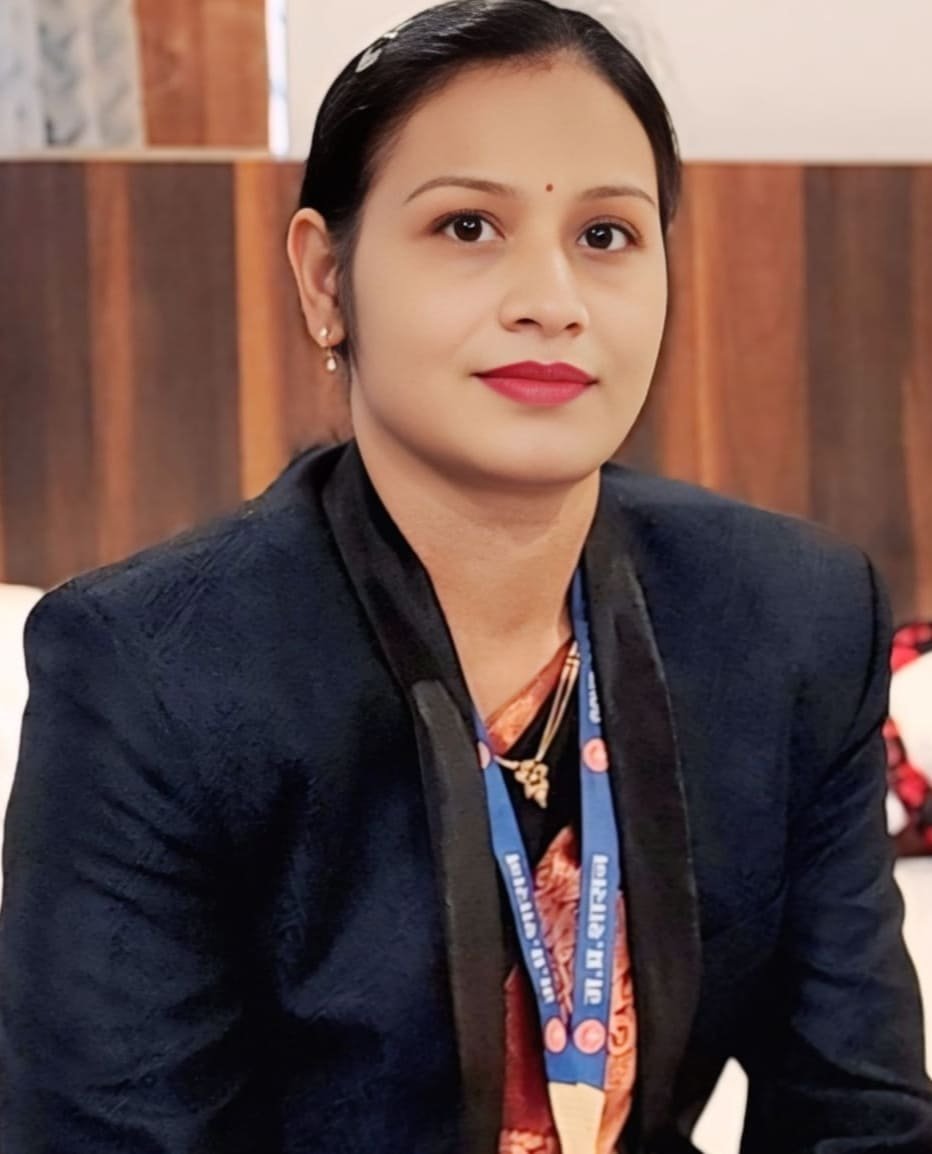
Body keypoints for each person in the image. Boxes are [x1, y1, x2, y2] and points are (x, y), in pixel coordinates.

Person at [1, 1, 930, 1151]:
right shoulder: (154, 673)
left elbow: (857, 1110)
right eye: (466, 225)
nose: (552, 299)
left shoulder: (789, 616)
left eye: (605, 235)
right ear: (326, 279)